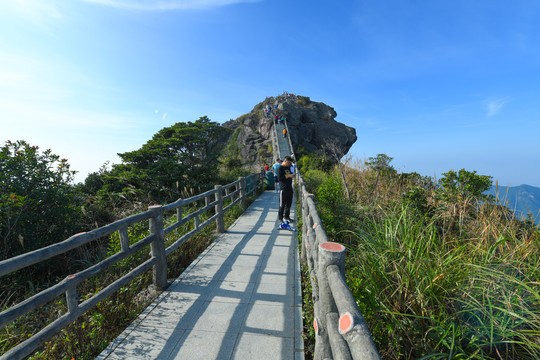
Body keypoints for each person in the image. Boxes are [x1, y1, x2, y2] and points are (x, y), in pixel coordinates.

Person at [277, 156, 294, 224]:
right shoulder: (280, 168)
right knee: (282, 205)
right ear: (285, 161)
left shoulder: (288, 167)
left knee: (289, 204)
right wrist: (288, 176)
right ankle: (280, 218)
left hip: (289, 188)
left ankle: (287, 217)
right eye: (289, 163)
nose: (290, 164)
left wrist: (291, 175)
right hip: (283, 189)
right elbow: (280, 178)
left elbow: (288, 175)